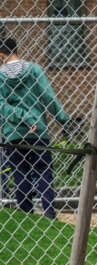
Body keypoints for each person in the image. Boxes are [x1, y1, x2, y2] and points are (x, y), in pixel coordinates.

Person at [0, 37, 69, 219]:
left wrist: (19, 117)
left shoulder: (0, 76)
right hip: (38, 131)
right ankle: (49, 213)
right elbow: (49, 97)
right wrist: (63, 120)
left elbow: (2, 107)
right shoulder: (34, 70)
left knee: (20, 171)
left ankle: (26, 215)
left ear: (1, 55)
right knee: (44, 170)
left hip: (14, 133)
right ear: (17, 50)